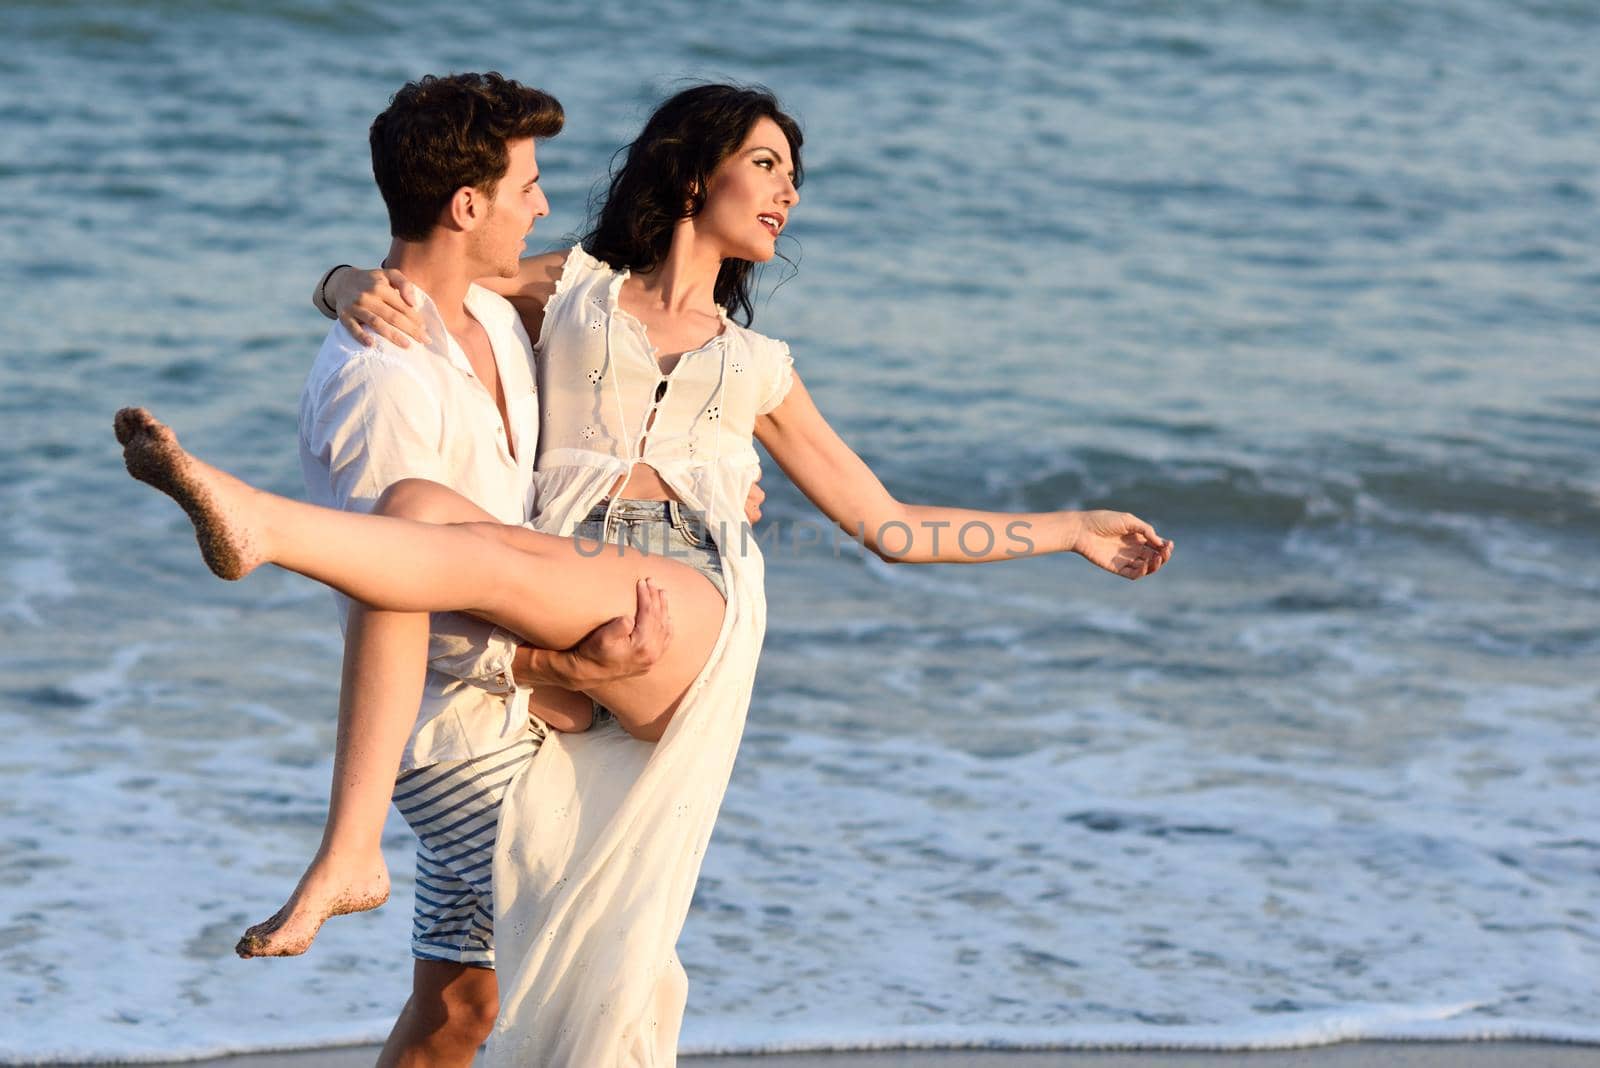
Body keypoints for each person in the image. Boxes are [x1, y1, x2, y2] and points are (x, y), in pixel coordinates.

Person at [121, 84, 1172, 1065]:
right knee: (414, 514)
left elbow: (888, 526)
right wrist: (343, 285)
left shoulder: (759, 367)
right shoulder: (570, 292)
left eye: (792, 174)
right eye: (765, 163)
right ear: (690, 176)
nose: (788, 190)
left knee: (464, 554)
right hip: (557, 576)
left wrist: (1069, 527)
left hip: (685, 612)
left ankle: (267, 526)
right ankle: (381, 795)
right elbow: (433, 261)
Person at [263, 72, 750, 1068]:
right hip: (450, 734)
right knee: (620, 966)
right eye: (526, 183)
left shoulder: (485, 320)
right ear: (465, 204)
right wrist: (563, 674)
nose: (540, 204)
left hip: (519, 711)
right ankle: (345, 856)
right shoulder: (380, 380)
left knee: (460, 1009)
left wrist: (713, 480)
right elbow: (390, 586)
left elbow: (625, 396)